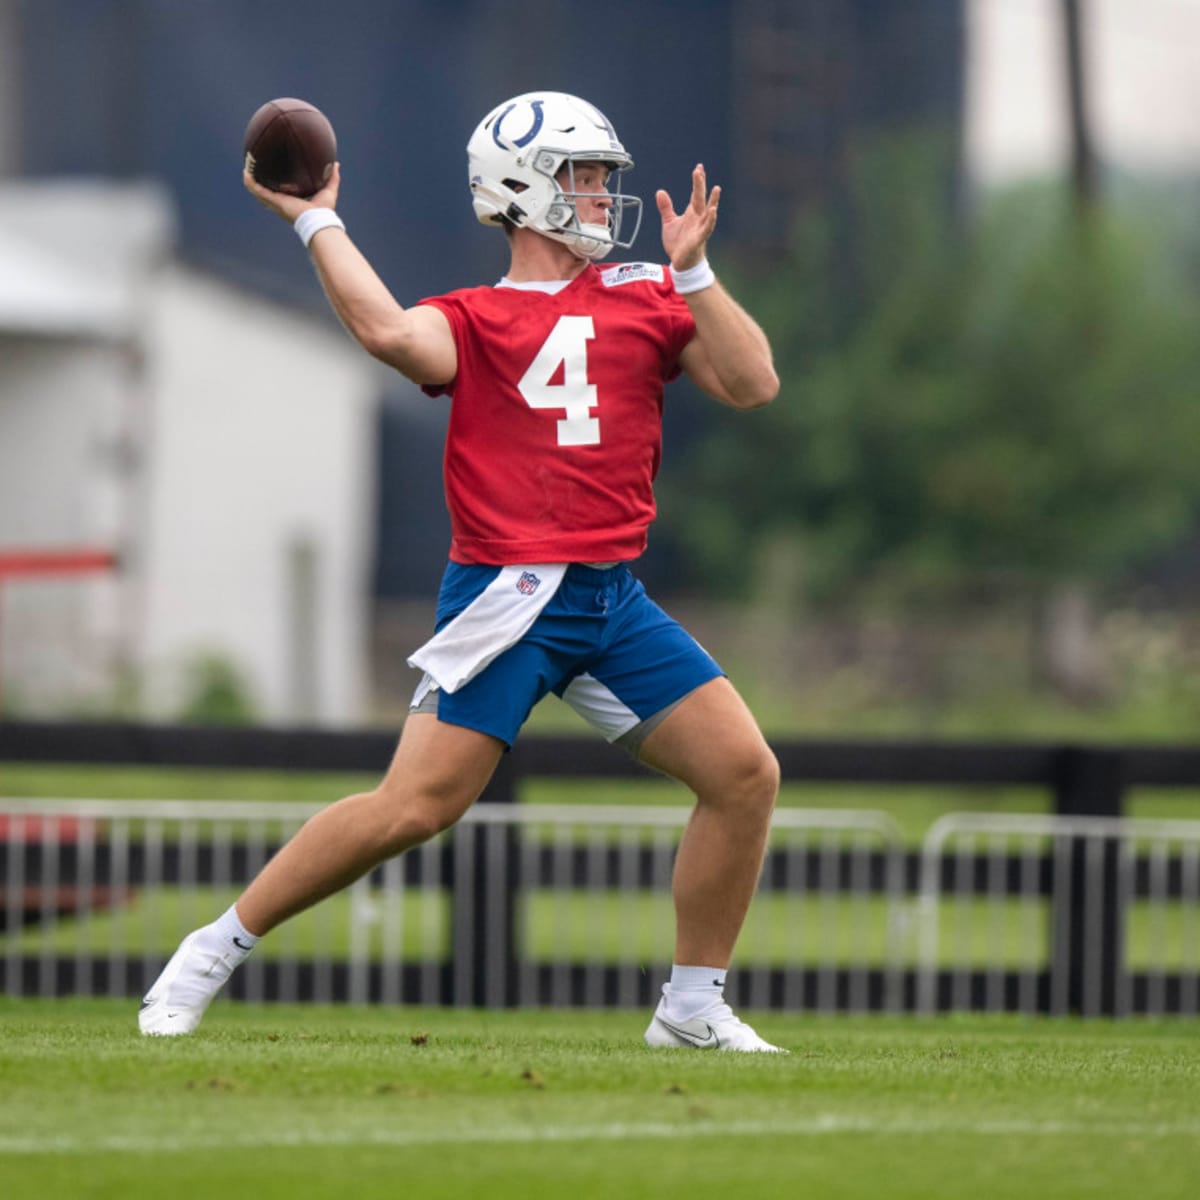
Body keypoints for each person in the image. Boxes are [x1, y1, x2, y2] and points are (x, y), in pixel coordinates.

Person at [139, 91, 784, 1052]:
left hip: (612, 595)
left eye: (607, 177)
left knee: (743, 773)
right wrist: (317, 218)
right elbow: (392, 336)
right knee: (414, 808)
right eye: (587, 177)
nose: (608, 196)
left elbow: (752, 382)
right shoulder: (475, 319)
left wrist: (695, 276)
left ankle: (691, 1006)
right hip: (510, 596)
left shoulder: (653, 291)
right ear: (525, 190)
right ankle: (212, 949)